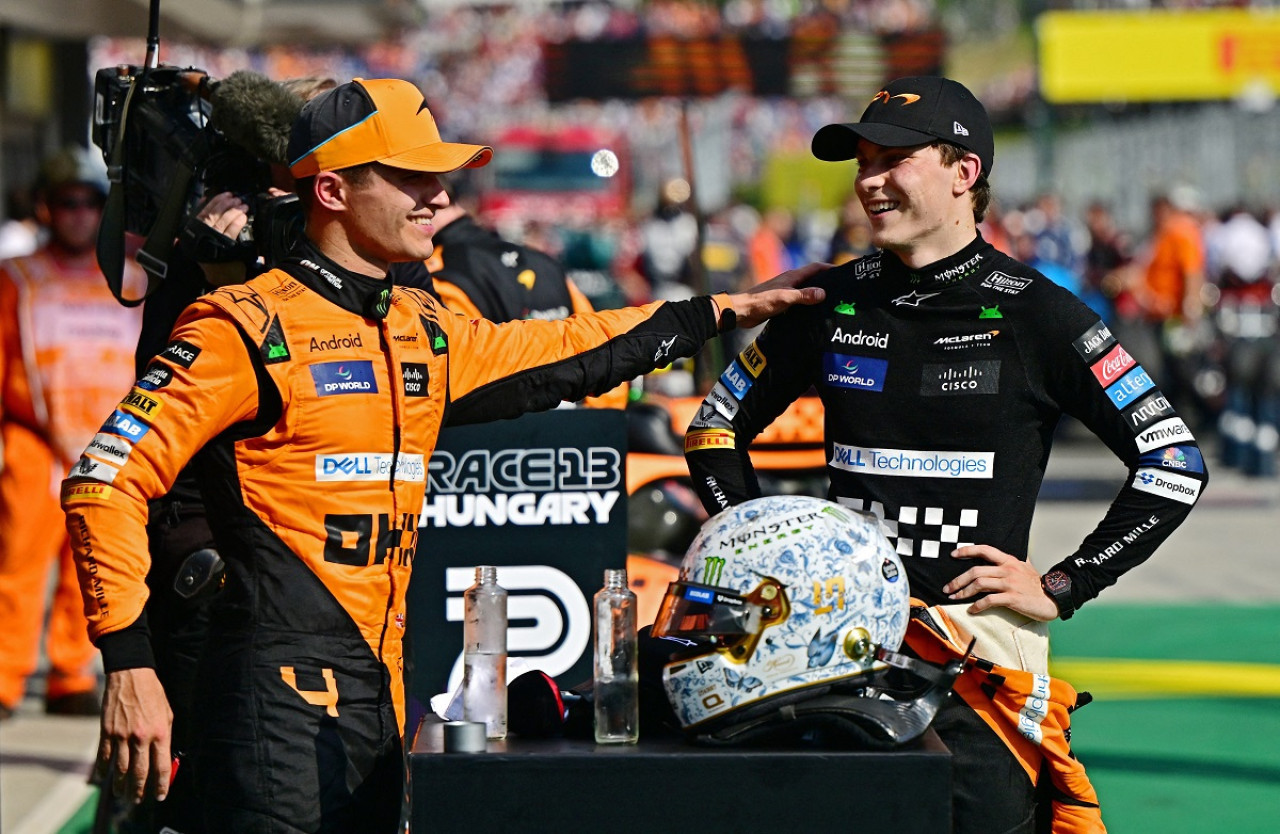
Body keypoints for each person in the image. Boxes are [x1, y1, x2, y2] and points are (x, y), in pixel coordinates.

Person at [61, 77, 824, 832]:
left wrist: (729, 307)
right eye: (410, 176)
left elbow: (574, 348)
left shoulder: (420, 325)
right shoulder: (240, 326)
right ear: (330, 190)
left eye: (438, 174)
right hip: (270, 689)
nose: (438, 195)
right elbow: (104, 482)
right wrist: (129, 664)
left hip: (385, 687)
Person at [684, 76, 1208, 833]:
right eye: (862, 163)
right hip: (830, 653)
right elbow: (712, 429)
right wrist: (765, 547)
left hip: (976, 667)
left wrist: (1064, 584)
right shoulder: (826, 302)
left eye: (893, 160)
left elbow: (1173, 462)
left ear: (964, 172)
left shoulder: (1042, 313)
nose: (870, 181)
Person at [0, 147, 144, 719]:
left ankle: (69, 672)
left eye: (92, 203)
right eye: (68, 203)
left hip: (112, 446)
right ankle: (6, 678)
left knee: (92, 564)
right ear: (46, 208)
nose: (81, 214)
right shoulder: (17, 279)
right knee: (19, 565)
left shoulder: (133, 277)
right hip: (33, 439)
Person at [426, 193, 629, 409]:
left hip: (499, 430)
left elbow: (462, 370)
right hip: (579, 425)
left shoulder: (434, 269)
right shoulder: (544, 261)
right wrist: (603, 420)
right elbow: (599, 348)